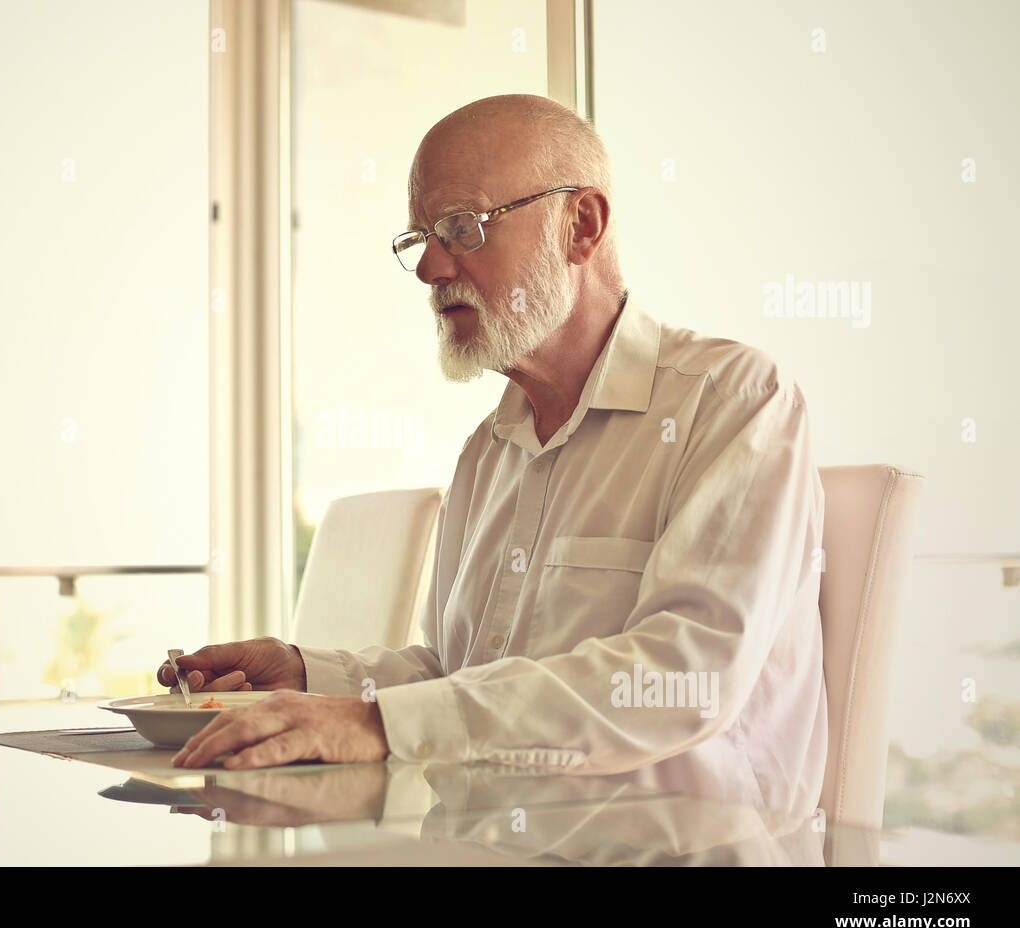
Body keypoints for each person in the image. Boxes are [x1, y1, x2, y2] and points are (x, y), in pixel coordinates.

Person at [159, 93, 827, 816]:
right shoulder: (491, 446)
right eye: (421, 237)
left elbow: (682, 676)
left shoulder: (732, 401)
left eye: (463, 228)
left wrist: (380, 723)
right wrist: (303, 674)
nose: (429, 269)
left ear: (583, 224)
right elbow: (455, 673)